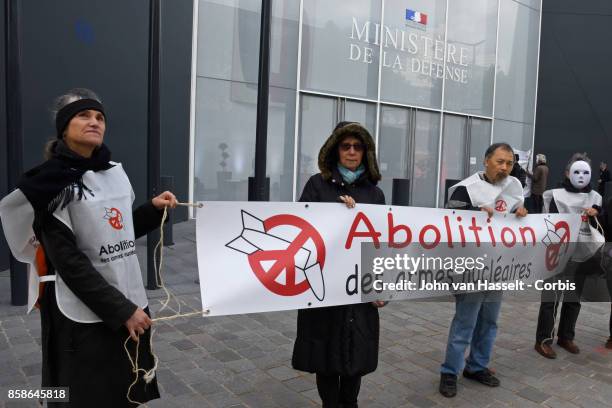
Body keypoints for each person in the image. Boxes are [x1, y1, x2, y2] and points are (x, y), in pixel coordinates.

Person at [0, 88, 178, 407]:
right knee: (87, 393)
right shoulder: (49, 184)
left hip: (126, 295)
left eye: (99, 117)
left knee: (125, 386)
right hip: (83, 314)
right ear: (64, 127)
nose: (94, 121)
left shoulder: (113, 173)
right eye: (83, 115)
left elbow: (116, 232)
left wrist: (151, 210)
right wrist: (122, 310)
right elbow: (70, 263)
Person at [291, 121, 386, 408]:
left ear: (365, 152)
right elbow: (301, 231)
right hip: (324, 287)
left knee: (356, 353)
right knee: (326, 353)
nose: (352, 152)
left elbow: (381, 242)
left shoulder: (374, 192)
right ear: (335, 149)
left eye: (358, 147)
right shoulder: (317, 185)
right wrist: (334, 215)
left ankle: (350, 402)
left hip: (359, 287)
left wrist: (379, 286)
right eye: (346, 146)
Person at [439, 143, 528, 398]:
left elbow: (515, 220)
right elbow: (449, 225)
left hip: (498, 267)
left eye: (509, 163)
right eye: (500, 161)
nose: (504, 167)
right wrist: (473, 214)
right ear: (486, 160)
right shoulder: (465, 189)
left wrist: (521, 213)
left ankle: (477, 366)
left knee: (489, 321)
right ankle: (449, 371)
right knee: (465, 322)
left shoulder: (514, 188)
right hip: (471, 269)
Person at [534, 153, 602, 359]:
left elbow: (600, 226)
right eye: (576, 171)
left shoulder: (595, 198)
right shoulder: (553, 195)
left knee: (573, 299)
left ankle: (566, 337)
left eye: (585, 172)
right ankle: (543, 340)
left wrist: (597, 213)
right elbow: (549, 222)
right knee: (551, 299)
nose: (581, 176)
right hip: (556, 254)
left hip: (581, 254)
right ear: (567, 173)